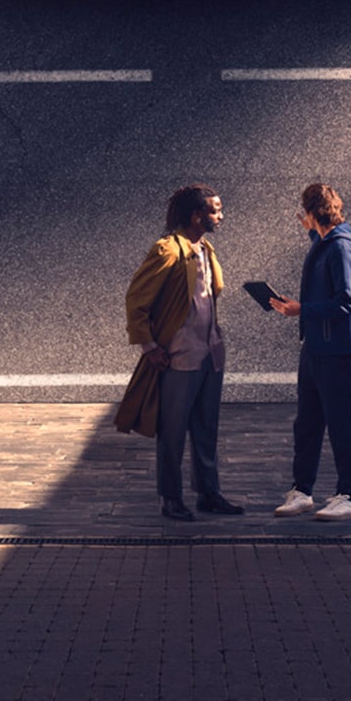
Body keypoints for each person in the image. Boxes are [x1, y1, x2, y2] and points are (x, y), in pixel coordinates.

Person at [123, 184, 244, 521]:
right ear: (197, 215)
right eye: (215, 210)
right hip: (180, 355)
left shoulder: (205, 248)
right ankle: (170, 497)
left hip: (210, 353)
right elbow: (136, 300)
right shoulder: (167, 251)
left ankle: (208, 493)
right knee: (173, 431)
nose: (221, 216)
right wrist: (149, 347)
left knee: (207, 429)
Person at [270, 182, 351, 521]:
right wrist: (312, 234)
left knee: (342, 423)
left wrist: (302, 310)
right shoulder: (325, 243)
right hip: (314, 348)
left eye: (305, 213)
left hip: (338, 351)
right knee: (307, 424)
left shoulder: (342, 247)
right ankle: (303, 492)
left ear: (311, 212)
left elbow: (348, 302)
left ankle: (346, 495)